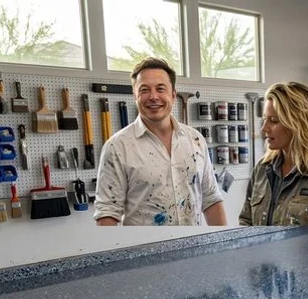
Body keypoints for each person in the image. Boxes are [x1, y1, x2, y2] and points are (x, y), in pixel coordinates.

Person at [94, 57, 227, 226]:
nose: (153, 96)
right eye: (144, 90)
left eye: (160, 89)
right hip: (144, 251)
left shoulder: (196, 140)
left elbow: (211, 199)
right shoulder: (117, 147)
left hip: (194, 249)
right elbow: (107, 214)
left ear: (173, 94)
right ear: (135, 96)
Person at [239, 82, 308, 226]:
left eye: (274, 120)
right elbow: (245, 223)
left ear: (299, 124)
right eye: (265, 119)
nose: (264, 128)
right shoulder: (262, 170)